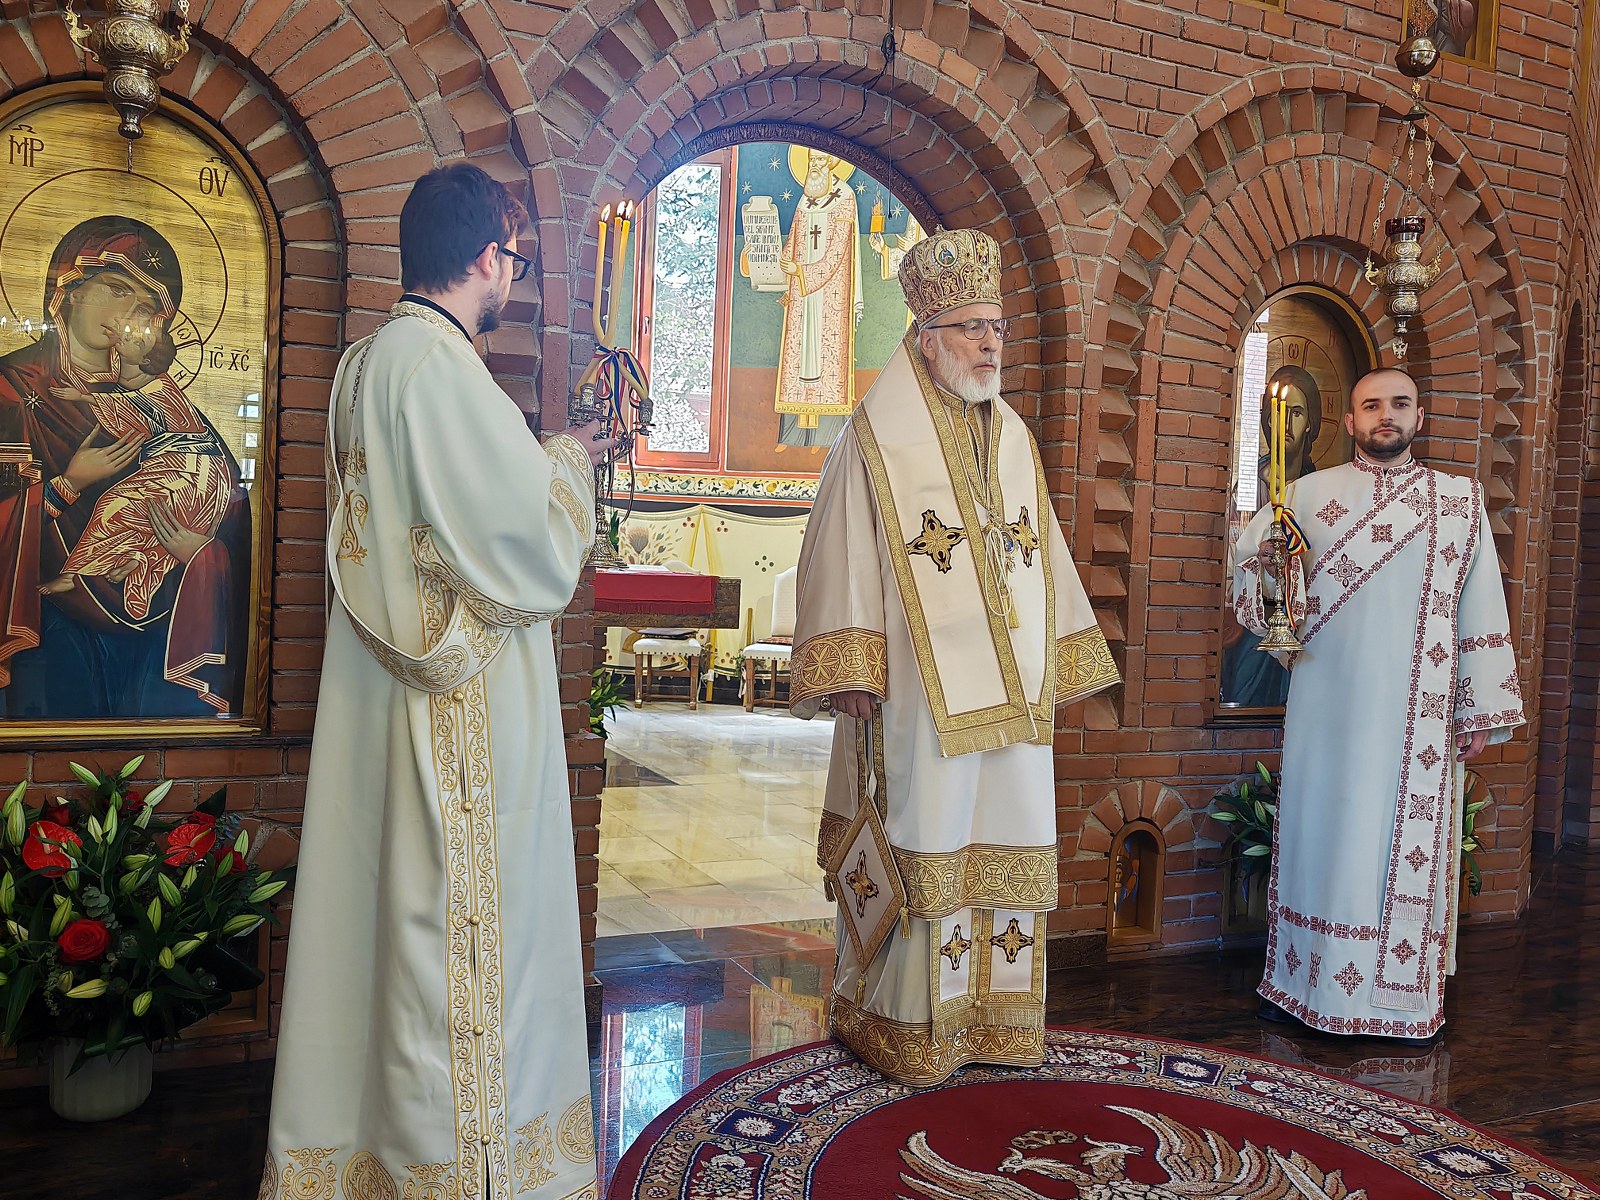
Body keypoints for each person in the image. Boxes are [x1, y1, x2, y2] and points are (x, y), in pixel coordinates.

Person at [262, 164, 616, 1200]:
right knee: (452, 932)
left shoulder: (365, 363)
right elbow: (527, 551)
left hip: (380, 696)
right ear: (485, 258)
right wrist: (571, 456)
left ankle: (365, 1152)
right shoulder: (444, 371)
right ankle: (459, 1169)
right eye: (514, 259)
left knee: (385, 922)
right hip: (457, 713)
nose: (513, 277)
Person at [789, 227, 1119, 1086]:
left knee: (1005, 833)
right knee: (924, 834)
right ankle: (901, 1024)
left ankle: (992, 1022)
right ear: (927, 337)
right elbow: (842, 549)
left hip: (1013, 698)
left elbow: (1041, 553)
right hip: (919, 694)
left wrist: (1060, 659)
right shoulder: (875, 436)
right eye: (972, 329)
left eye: (996, 329)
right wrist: (853, 668)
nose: (988, 344)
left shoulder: (1011, 436)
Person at [1231, 366, 1524, 1045]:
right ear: (1350, 421)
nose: (1385, 415)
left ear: (1419, 417)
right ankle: (1301, 986)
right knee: (1321, 840)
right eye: (1371, 405)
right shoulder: (1304, 496)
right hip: (1327, 710)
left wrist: (1477, 708)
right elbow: (1257, 597)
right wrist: (1271, 568)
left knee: (1391, 848)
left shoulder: (1458, 502)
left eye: (1398, 404)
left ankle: (1396, 1000)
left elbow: (1482, 603)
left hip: (1417, 719)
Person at [0, 215, 251, 717]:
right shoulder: (13, 391)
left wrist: (199, 553)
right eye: (116, 289)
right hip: (52, 634)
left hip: (157, 632)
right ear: (70, 289)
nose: (127, 314)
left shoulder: (164, 403)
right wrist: (67, 485)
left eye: (145, 305)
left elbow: (231, 514)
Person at [44, 324, 233, 621]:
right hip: (175, 465)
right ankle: (137, 562)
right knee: (145, 523)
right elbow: (123, 396)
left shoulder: (160, 388)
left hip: (193, 471)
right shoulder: (132, 379)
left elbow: (134, 406)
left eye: (137, 340)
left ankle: (76, 574)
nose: (128, 336)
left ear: (146, 359)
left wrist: (83, 397)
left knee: (114, 506)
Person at [1221, 365, 1323, 710]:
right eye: (1278, 413)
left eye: (1297, 412)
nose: (1287, 423)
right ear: (1267, 420)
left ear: (1310, 422)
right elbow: (1233, 562)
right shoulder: (1248, 489)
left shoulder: (1322, 492)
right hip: (1255, 626)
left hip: (1309, 623)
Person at [774, 148, 863, 449]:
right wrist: (785, 259)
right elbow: (794, 238)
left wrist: (803, 271)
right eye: (811, 161)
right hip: (802, 294)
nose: (814, 166)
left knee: (826, 361)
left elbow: (838, 251)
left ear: (832, 163)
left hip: (830, 293)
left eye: (820, 160)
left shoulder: (845, 196)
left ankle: (826, 439)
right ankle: (794, 436)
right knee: (799, 360)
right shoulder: (805, 198)